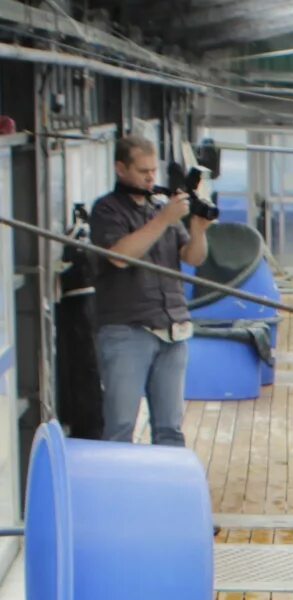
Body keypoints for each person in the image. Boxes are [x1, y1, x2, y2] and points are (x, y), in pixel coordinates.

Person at [88, 133, 211, 447]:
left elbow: (193, 258)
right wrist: (163, 219)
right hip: (127, 330)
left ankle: (163, 491)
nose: (150, 178)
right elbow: (118, 257)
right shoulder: (107, 210)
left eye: (153, 171)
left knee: (171, 429)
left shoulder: (161, 207)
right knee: (121, 426)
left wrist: (198, 231)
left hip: (173, 328)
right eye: (142, 171)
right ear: (120, 169)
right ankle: (116, 493)